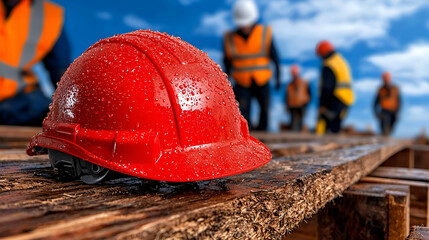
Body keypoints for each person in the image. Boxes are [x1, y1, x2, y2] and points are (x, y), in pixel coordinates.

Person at [0, 0, 70, 126]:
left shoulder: (49, 15)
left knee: (47, 113)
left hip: (21, 102)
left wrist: (71, 109)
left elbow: (61, 72)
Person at [223, 0, 280, 131]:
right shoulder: (230, 38)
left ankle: (263, 136)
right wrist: (226, 83)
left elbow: (275, 56)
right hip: (241, 81)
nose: (245, 26)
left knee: (264, 109)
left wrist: (277, 77)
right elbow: (227, 63)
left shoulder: (264, 33)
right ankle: (247, 138)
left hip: (262, 79)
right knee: (243, 112)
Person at [315, 40, 354, 134]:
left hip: (334, 100)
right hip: (346, 99)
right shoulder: (341, 61)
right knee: (335, 128)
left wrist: (323, 105)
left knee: (326, 129)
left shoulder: (329, 63)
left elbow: (327, 87)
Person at [374, 72, 400, 136]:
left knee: (391, 126)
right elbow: (375, 103)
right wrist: (376, 113)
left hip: (393, 111)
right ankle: (385, 137)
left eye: (387, 78)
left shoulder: (395, 89)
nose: (386, 80)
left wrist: (397, 112)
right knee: (384, 126)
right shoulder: (381, 90)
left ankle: (388, 135)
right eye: (385, 78)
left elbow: (399, 101)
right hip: (384, 111)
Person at [286, 65, 311, 132]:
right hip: (292, 105)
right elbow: (287, 96)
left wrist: (306, 103)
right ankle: (293, 133)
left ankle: (299, 132)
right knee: (293, 121)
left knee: (299, 120)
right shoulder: (290, 85)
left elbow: (309, 94)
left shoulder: (304, 83)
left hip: (301, 105)